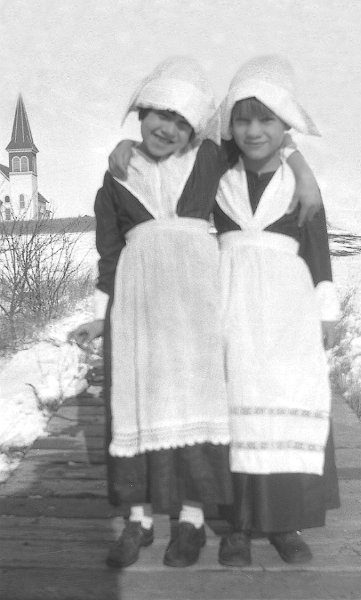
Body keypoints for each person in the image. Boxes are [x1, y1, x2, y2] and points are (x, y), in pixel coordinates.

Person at [70, 57, 234, 569]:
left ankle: (190, 520)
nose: (167, 127)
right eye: (158, 113)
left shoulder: (209, 157)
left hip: (195, 305)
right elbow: (109, 253)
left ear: (198, 128)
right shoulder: (118, 172)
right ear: (140, 113)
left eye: (182, 120)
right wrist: (103, 315)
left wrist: (304, 176)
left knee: (193, 399)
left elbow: (263, 126)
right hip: (137, 306)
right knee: (135, 403)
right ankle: (138, 522)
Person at [212, 55, 340, 567]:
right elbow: (179, 139)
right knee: (234, 404)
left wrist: (325, 310)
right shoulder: (217, 172)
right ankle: (238, 525)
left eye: (267, 119)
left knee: (286, 400)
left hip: (287, 307)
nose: (253, 130)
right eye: (243, 119)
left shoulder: (300, 186)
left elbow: (317, 248)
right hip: (230, 300)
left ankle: (286, 523)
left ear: (285, 125)